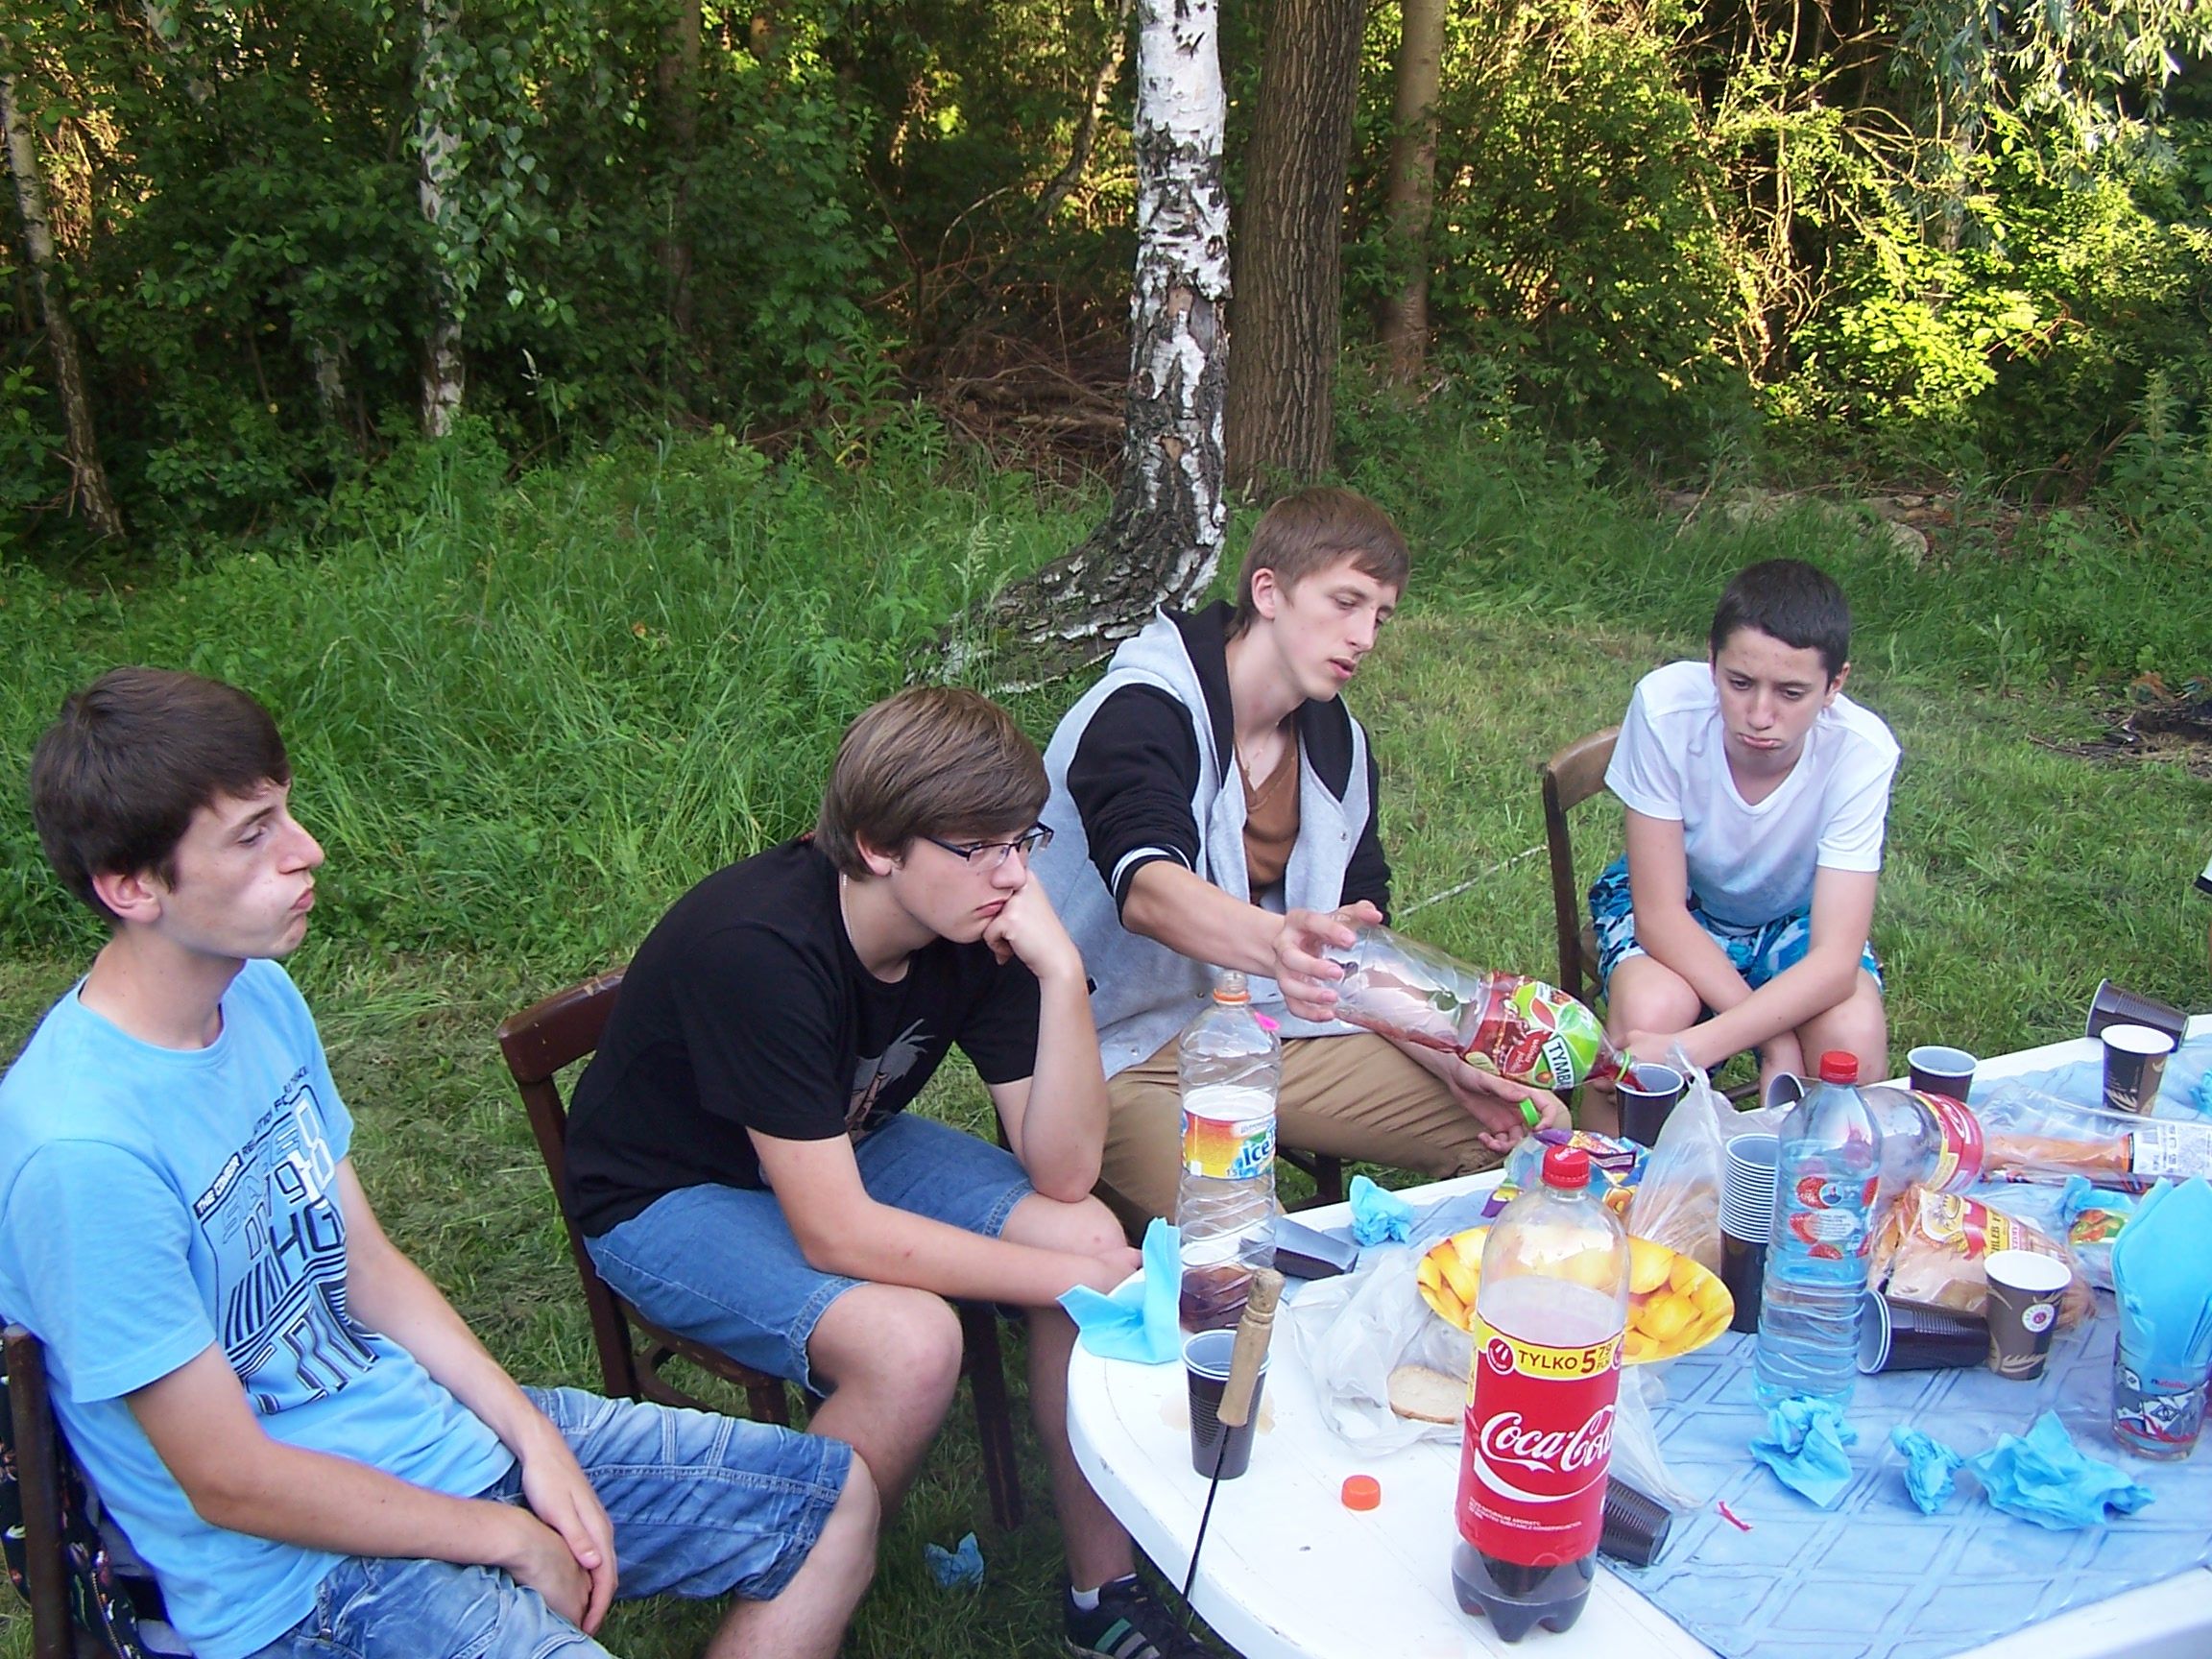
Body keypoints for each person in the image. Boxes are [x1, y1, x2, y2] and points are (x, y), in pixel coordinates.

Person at [0, 668, 877, 1659]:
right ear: (132, 887)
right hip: (296, 1587)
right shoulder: (81, 1155)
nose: (306, 850)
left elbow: (365, 1266)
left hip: (423, 1441)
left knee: (835, 1503)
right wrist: (507, 1535)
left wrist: (533, 1441)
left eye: (286, 812)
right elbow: (228, 1480)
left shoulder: (255, 997)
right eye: (251, 836)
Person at [565, 686, 1210, 1659]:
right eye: (979, 848)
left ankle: (1101, 1594)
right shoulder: (760, 948)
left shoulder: (979, 922)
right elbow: (838, 1234)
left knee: (1084, 1232)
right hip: (665, 1191)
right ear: (877, 847)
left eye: (1023, 841)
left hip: (838, 1140)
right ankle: (804, 1594)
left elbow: (1066, 1169)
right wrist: (1068, 1281)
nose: (1014, 876)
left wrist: (1058, 977)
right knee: (913, 1345)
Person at [1030, 487, 1566, 1233]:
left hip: (1267, 1027)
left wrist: (1451, 1059)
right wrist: (1280, 945)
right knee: (1253, 1248)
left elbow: (1358, 946)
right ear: (1268, 592)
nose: (1365, 637)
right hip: (1114, 1053)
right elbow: (1148, 888)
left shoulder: (1338, 743)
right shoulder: (1142, 711)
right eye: (1346, 602)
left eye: (1380, 616)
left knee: (1528, 1143)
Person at [1588, 559, 1899, 1106]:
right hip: (1682, 906)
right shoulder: (1665, 709)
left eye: (1791, 693)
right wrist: (1772, 1038)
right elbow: (1659, 915)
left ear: (1835, 685)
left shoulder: (1861, 752)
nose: (1759, 714)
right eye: (1739, 683)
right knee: (1649, 1011)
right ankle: (1611, 1159)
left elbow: (1834, 961)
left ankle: (1814, 1162)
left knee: (1852, 1037)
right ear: (1711, 661)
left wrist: (1689, 1049)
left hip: (1792, 917)